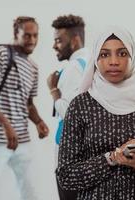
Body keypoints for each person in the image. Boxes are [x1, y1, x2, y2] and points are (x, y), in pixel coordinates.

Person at [56, 26, 135, 199]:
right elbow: (66, 176)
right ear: (96, 59)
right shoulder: (81, 105)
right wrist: (111, 159)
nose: (113, 61)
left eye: (122, 54)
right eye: (105, 54)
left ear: (132, 56)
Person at [0, 16, 49, 200]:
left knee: (31, 189)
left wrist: (39, 122)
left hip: (22, 140)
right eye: (27, 35)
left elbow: (28, 103)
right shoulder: (1, 53)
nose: (32, 40)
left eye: (35, 36)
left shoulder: (33, 67)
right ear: (15, 33)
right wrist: (6, 125)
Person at [47, 14, 89, 200]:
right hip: (88, 152)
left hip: (69, 156)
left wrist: (53, 90)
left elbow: (73, 114)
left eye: (58, 40)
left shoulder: (73, 68)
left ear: (75, 40)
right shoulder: (93, 62)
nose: (54, 45)